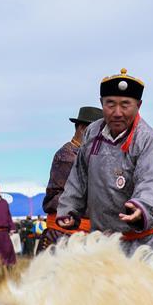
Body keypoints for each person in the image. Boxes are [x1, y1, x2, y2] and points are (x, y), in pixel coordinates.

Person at [57, 69, 153, 259]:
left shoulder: (148, 139)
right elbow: (79, 176)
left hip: (147, 245)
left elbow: (152, 181)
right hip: (105, 243)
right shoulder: (93, 132)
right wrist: (69, 208)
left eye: (125, 105)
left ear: (138, 105)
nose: (117, 112)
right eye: (110, 104)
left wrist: (142, 207)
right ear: (101, 103)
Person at [38, 106, 100, 253]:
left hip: (79, 234)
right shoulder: (67, 157)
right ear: (83, 129)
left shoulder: (87, 156)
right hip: (63, 236)